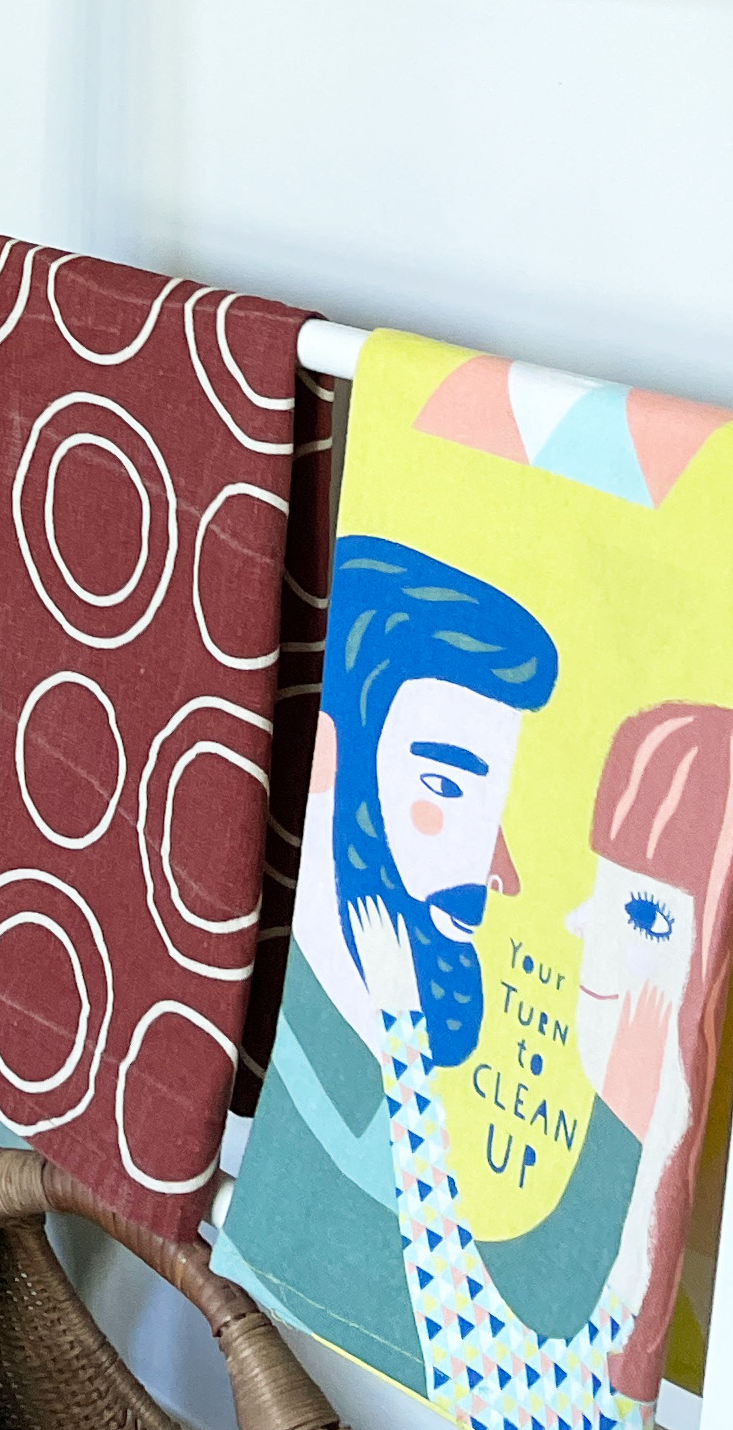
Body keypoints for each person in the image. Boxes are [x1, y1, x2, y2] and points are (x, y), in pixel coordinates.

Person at [216, 539, 636, 1382]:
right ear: (327, 761)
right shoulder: (308, 1074)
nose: (499, 872)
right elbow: (519, 1309)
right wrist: (630, 1093)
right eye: (446, 786)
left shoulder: (341, 1067)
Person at [336, 703, 733, 1430]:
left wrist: (406, 1045)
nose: (577, 919)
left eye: (644, 914)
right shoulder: (613, 1191)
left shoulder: (624, 1261)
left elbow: (467, 1352)